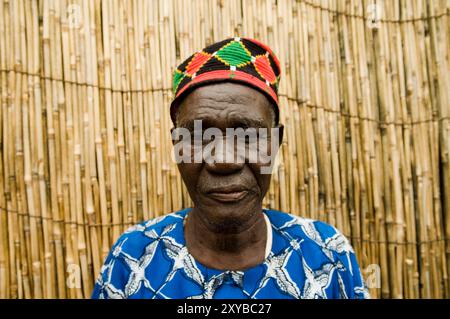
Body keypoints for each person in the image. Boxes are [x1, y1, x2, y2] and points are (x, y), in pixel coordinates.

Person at [92, 37, 370, 299]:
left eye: (247, 136)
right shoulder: (133, 258)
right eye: (200, 136)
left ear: (275, 142)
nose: (224, 160)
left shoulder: (326, 254)